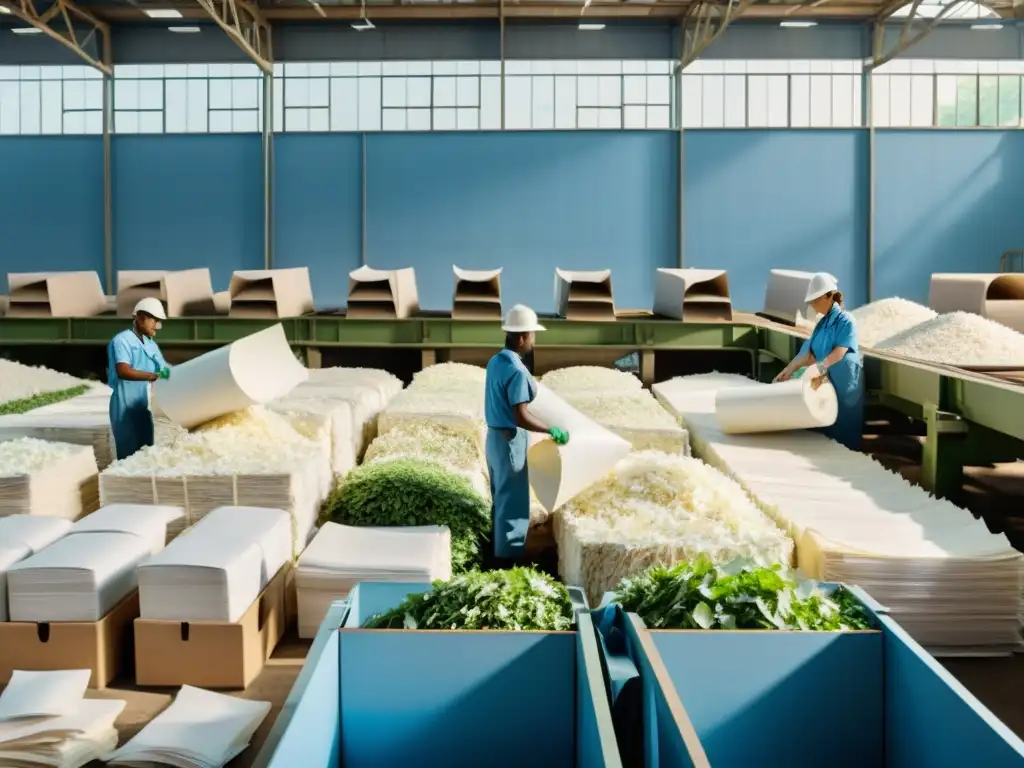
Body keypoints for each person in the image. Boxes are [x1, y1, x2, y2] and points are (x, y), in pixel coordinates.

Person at [484, 304, 570, 565]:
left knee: (500, 500)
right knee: (514, 506)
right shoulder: (517, 372)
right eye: (532, 335)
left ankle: (496, 555)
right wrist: (550, 429)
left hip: (493, 440)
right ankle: (508, 564)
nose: (533, 340)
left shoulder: (495, 362)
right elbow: (519, 416)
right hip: (510, 442)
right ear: (522, 337)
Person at [774, 273, 865, 451]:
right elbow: (809, 353)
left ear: (828, 297)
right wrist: (790, 369)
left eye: (815, 300)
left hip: (845, 381)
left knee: (844, 430)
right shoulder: (822, 325)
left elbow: (840, 351)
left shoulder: (846, 321)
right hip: (825, 379)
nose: (812, 305)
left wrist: (819, 368)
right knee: (825, 430)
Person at [108, 298, 172, 461]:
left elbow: (164, 370)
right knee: (128, 455)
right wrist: (151, 376)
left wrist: (184, 373)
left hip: (143, 408)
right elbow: (123, 371)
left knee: (146, 454)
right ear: (140, 318)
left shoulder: (151, 344)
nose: (156, 325)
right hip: (125, 408)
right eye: (154, 320)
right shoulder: (122, 340)